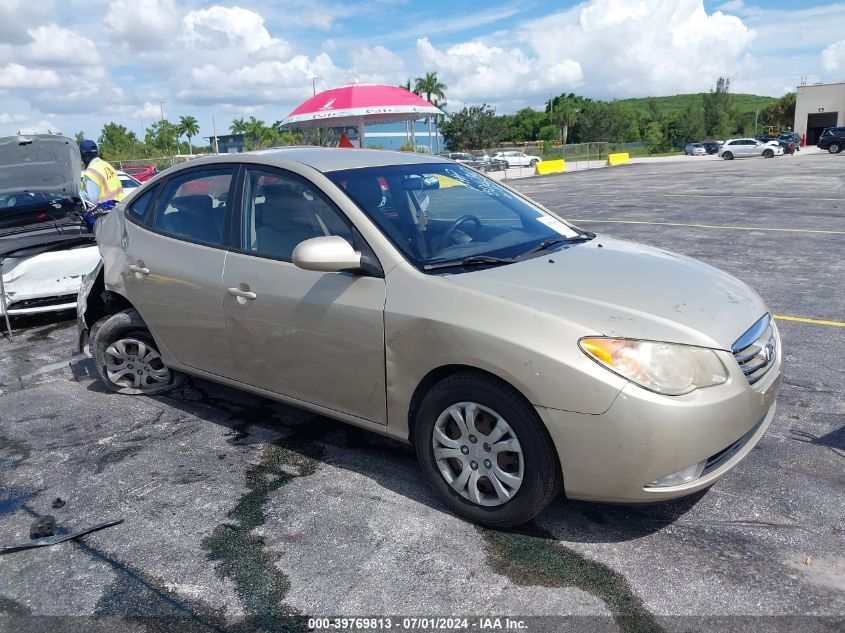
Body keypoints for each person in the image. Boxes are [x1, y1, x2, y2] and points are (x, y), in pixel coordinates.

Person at [79, 140, 125, 205]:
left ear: (84, 156)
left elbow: (91, 199)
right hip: (120, 207)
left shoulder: (91, 172)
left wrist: (78, 194)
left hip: (107, 211)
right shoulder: (106, 165)